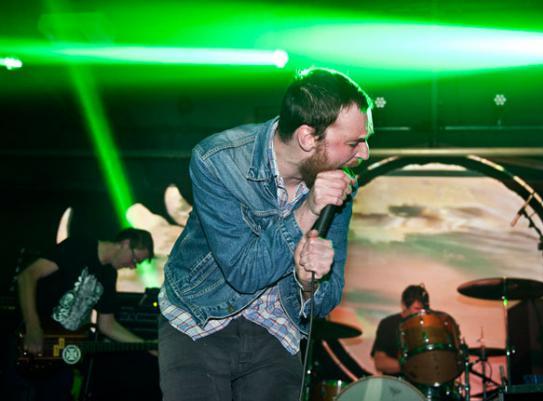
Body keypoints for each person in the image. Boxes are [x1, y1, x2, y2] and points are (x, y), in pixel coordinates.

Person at [158, 67, 374, 401]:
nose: (364, 153)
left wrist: (307, 281)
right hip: (201, 317)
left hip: (275, 326)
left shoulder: (341, 183)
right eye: (354, 142)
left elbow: (326, 300)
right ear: (307, 137)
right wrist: (308, 210)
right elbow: (244, 273)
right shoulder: (219, 160)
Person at [14, 227, 155, 401]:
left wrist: (146, 346)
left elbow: (107, 325)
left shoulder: (109, 275)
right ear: (125, 243)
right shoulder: (80, 246)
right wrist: (33, 326)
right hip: (29, 340)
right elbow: (27, 276)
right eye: (134, 260)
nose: (132, 267)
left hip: (61, 356)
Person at [371, 284, 429, 375]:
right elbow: (380, 362)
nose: (421, 313)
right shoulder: (388, 324)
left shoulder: (429, 325)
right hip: (394, 382)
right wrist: (410, 366)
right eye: (417, 308)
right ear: (404, 305)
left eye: (424, 309)